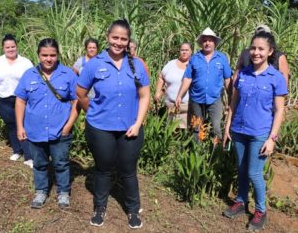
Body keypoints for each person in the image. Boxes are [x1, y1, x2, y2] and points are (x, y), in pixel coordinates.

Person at [77, 19, 150, 229]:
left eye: (123, 39)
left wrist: (138, 123)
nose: (118, 42)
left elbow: (144, 96)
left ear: (128, 41)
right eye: (115, 37)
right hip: (100, 128)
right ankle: (100, 207)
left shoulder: (136, 65)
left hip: (130, 127)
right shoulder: (94, 64)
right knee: (103, 169)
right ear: (107, 37)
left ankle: (133, 210)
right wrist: (93, 112)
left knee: (128, 170)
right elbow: (80, 93)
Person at [222, 31, 288, 231]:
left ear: (270, 52)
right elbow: (233, 102)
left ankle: (261, 211)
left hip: (260, 133)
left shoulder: (276, 77)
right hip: (239, 129)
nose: (256, 52)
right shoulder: (243, 73)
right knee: (241, 169)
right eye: (253, 48)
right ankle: (241, 202)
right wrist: (227, 127)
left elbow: (279, 111)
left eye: (261, 49)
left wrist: (272, 138)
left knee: (254, 173)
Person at [14, 38, 79, 209]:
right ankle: (41, 191)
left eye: (52, 55)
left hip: (60, 131)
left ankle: (63, 192)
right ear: (38, 55)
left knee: (61, 163)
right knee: (40, 163)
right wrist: (20, 126)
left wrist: (68, 125)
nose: (48, 59)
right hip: (35, 130)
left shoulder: (68, 74)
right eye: (44, 55)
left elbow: (76, 102)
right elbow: (20, 101)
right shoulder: (29, 75)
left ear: (57, 55)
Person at [0, 34, 33, 167]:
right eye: (7, 47)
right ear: (3, 48)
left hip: (21, 99)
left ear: (17, 47)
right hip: (2, 98)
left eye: (13, 46)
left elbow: (32, 80)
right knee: (11, 124)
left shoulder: (26, 62)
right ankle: (17, 150)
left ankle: (28, 156)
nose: (10, 49)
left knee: (22, 124)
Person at [175, 27, 232, 141]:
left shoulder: (221, 58)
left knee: (216, 127)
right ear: (201, 43)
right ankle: (198, 153)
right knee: (197, 127)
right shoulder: (195, 58)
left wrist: (231, 98)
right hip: (196, 97)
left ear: (214, 42)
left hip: (214, 98)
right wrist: (180, 95)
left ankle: (216, 153)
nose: (207, 43)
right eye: (205, 40)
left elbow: (227, 79)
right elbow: (187, 78)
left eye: (210, 40)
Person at [154, 42, 193, 128]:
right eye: (182, 50)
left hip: (186, 107)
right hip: (170, 106)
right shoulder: (171, 64)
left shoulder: (193, 65)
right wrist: (158, 91)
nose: (184, 52)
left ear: (191, 51)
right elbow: (161, 77)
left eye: (187, 50)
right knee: (169, 132)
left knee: (183, 133)